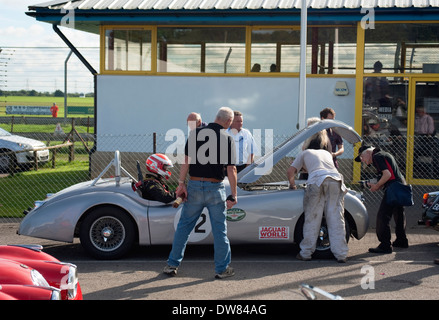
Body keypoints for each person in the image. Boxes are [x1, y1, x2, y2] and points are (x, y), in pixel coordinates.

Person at [164, 107, 238, 279]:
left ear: (216, 117)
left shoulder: (195, 134)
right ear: (227, 122)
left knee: (184, 227)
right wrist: (234, 194)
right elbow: (231, 169)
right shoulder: (227, 137)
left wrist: (181, 184)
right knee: (220, 231)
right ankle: (221, 269)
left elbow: (185, 161)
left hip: (195, 185)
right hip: (215, 188)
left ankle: (171, 265)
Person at [287, 133, 349, 263]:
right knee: (336, 218)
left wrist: (292, 185)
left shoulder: (305, 153)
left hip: (316, 182)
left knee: (312, 218)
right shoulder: (326, 154)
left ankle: (306, 253)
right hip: (336, 180)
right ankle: (341, 254)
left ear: (308, 144)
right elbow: (321, 167)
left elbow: (290, 171)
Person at [355, 145, 409, 253]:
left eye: (362, 157)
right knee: (399, 215)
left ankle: (385, 245)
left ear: (367, 153)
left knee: (382, 216)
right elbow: (390, 174)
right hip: (400, 187)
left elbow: (387, 175)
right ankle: (401, 240)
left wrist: (376, 185)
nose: (363, 161)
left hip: (393, 189)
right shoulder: (384, 154)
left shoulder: (377, 157)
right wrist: (377, 184)